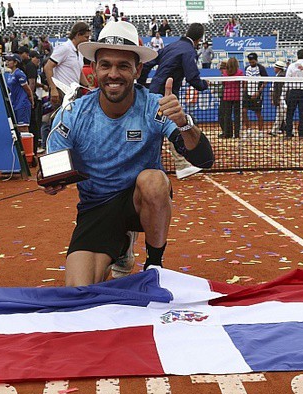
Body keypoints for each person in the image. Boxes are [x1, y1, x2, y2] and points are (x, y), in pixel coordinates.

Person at [44, 21, 214, 286]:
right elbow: (52, 167)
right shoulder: (72, 114)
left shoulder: (153, 107)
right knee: (78, 290)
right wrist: (53, 182)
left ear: (137, 70)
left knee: (154, 180)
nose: (114, 74)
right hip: (96, 207)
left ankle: (154, 264)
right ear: (94, 71)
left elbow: (204, 160)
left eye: (123, 66)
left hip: (138, 200)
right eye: (106, 65)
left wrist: (183, 123)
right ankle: (121, 246)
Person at [138, 23, 209, 179]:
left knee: (157, 126)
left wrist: (141, 84)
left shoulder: (172, 46)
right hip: (167, 94)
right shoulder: (189, 50)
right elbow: (192, 77)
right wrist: (204, 85)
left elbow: (148, 63)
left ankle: (157, 164)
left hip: (154, 91)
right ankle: (181, 165)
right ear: (199, 39)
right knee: (171, 124)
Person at [42, 22, 91, 147]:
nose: (87, 40)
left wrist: (88, 87)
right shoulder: (64, 48)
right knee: (59, 123)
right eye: (86, 37)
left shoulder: (78, 51)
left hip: (73, 92)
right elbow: (48, 67)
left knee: (72, 123)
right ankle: (51, 148)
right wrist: (53, 88)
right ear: (78, 35)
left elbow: (78, 72)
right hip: (61, 91)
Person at [284, 48, 303, 139]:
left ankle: (288, 134)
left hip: (293, 91)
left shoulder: (291, 66)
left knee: (289, 113)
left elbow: (287, 80)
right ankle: (302, 134)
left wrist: (285, 92)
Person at [4, 53, 34, 133]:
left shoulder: (19, 73)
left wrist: (31, 99)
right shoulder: (10, 74)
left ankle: (26, 145)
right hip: (15, 103)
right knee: (16, 128)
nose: (7, 62)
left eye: (9, 60)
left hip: (22, 103)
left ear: (15, 63)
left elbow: (27, 89)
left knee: (23, 128)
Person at [242, 52, 268, 136]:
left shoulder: (261, 68)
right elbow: (245, 80)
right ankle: (248, 129)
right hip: (247, 94)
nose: (251, 63)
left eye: (253, 61)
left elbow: (265, 81)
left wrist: (258, 92)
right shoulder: (246, 68)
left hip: (257, 94)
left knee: (258, 113)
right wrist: (244, 90)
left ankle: (260, 131)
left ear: (256, 60)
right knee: (244, 111)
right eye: (250, 62)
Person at [219, 57, 243, 139]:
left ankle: (227, 133)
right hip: (237, 96)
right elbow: (243, 83)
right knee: (237, 116)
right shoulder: (240, 72)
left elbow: (224, 84)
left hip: (227, 96)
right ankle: (237, 134)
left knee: (227, 116)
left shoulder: (225, 73)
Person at [269, 60, 287, 137]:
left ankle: (290, 131)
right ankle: (274, 131)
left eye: (275, 67)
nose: (274, 68)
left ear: (278, 68)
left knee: (285, 115)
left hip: (282, 98)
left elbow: (278, 89)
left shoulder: (281, 76)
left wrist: (277, 99)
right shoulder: (279, 75)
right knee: (279, 115)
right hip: (281, 98)